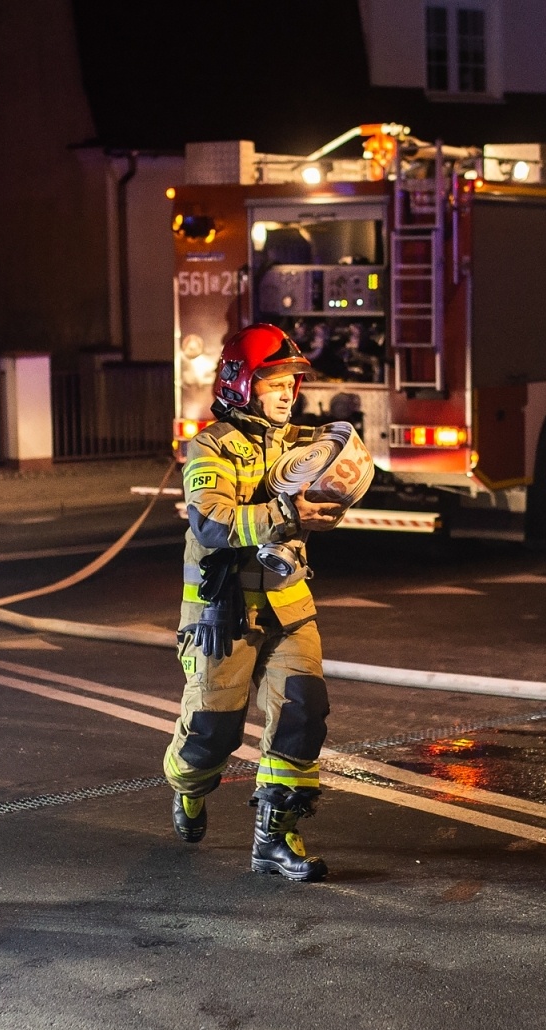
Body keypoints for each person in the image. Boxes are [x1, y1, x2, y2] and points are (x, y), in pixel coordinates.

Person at [162, 323, 345, 882]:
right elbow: (213, 523)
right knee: (211, 738)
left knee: (303, 710)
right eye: (274, 382)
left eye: (292, 382)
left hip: (289, 608)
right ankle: (187, 788)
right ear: (243, 384)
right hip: (222, 615)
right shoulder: (210, 445)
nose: (289, 393)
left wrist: (342, 484)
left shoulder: (300, 444)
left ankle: (275, 838)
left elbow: (335, 477)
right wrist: (288, 514)